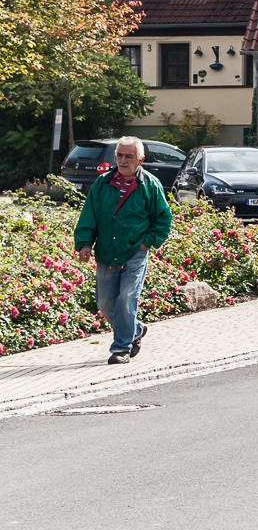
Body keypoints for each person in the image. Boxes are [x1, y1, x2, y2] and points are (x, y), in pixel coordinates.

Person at [74, 137, 172, 365]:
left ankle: (121, 348)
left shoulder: (150, 184)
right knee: (105, 303)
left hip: (134, 252)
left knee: (127, 297)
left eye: (129, 156)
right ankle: (135, 329)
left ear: (140, 159)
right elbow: (89, 215)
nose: (123, 160)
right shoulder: (102, 183)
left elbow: (163, 220)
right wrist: (85, 242)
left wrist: (146, 242)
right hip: (107, 251)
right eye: (119, 155)